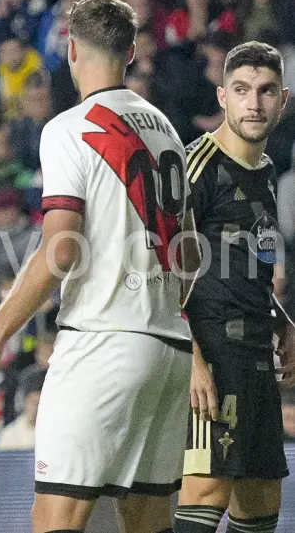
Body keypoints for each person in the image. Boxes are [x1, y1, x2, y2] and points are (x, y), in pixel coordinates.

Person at [0, 0, 194, 533]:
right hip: (167, 349)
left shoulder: (70, 128)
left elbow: (61, 251)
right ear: (131, 52)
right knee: (149, 522)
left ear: (69, 50)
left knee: (57, 516)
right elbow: (191, 254)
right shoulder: (168, 132)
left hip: (103, 343)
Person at [174, 41, 295, 533]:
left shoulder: (265, 172)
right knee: (207, 489)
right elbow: (158, 265)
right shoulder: (195, 164)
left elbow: (247, 264)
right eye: (242, 90)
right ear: (222, 96)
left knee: (262, 495)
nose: (254, 103)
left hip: (256, 357)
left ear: (282, 99)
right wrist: (190, 358)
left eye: (266, 92)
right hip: (210, 353)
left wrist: (283, 321)